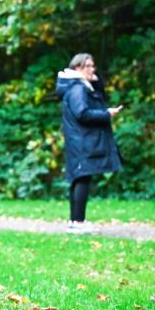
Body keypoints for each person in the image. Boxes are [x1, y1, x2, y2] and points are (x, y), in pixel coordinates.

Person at [55, 53, 122, 233]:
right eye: (89, 66)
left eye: (93, 66)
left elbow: (99, 95)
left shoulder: (80, 85)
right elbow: (82, 113)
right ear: (78, 68)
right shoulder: (77, 88)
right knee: (82, 179)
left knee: (80, 178)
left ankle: (75, 221)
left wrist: (95, 79)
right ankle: (78, 222)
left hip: (81, 140)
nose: (93, 69)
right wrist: (107, 114)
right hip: (82, 140)